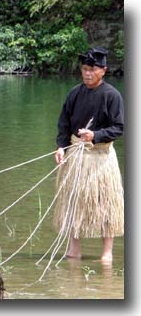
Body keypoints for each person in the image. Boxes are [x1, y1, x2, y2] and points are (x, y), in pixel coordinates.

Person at [53, 46, 124, 262]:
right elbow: (64, 123)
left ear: (103, 70)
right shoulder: (75, 93)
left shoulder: (112, 95)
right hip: (76, 154)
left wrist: (95, 134)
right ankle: (74, 249)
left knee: (106, 203)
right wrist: (61, 147)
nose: (87, 73)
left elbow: (119, 128)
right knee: (73, 201)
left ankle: (106, 253)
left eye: (92, 69)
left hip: (101, 157)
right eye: (84, 69)